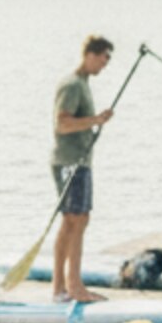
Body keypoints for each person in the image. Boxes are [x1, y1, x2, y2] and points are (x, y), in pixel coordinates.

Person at [49, 35, 116, 303]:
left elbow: (76, 121)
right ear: (90, 54)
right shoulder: (72, 85)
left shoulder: (83, 84)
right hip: (70, 162)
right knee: (75, 220)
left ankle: (62, 287)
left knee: (75, 220)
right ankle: (72, 287)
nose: (104, 65)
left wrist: (96, 121)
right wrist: (95, 120)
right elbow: (62, 124)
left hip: (79, 161)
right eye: (103, 58)